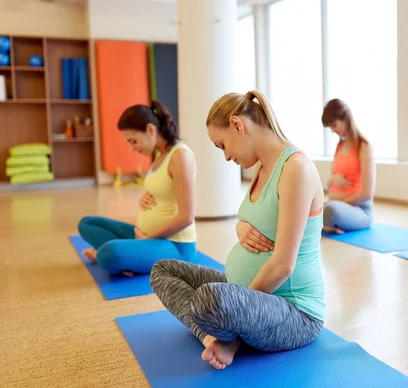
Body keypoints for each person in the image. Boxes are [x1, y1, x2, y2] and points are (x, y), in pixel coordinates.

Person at [150, 90, 326, 370]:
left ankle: (228, 336)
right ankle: (214, 337)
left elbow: (283, 265)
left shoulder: (296, 169)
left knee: (210, 298)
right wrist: (241, 227)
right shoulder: (261, 168)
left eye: (221, 145)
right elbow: (258, 218)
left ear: (237, 125)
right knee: (163, 270)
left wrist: (239, 306)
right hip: (245, 297)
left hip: (293, 312)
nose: (226, 156)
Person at [77, 101, 197, 277]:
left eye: (134, 141)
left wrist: (148, 238)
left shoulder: (180, 157)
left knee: (109, 253)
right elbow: (165, 190)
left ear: (150, 130)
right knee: (87, 224)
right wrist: (147, 196)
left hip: (175, 245)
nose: (132, 148)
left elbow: (186, 217)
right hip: (145, 235)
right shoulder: (160, 155)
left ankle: (117, 257)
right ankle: (131, 257)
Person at [320, 99, 375, 234]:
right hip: (336, 204)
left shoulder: (364, 146)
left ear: (345, 119)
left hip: (359, 209)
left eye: (334, 125)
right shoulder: (339, 146)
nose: (333, 130)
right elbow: (329, 185)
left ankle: (325, 222)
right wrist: (333, 179)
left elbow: (367, 194)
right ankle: (326, 223)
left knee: (331, 210)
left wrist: (340, 203)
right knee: (307, 208)